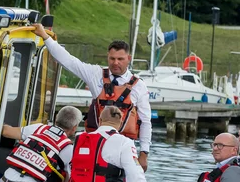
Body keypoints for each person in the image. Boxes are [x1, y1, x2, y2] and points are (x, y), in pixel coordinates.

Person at [32, 23, 152, 171]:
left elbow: (145, 121)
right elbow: (68, 61)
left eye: (120, 59)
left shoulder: (139, 86)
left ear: (129, 58)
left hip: (124, 146)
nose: (115, 63)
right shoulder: (95, 74)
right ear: (108, 57)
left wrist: (144, 153)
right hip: (96, 144)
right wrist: (45, 37)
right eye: (112, 58)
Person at [64, 106, 158, 182]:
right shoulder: (124, 142)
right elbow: (136, 176)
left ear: (100, 120)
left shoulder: (79, 138)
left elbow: (70, 169)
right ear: (121, 123)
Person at [0, 106, 82, 182]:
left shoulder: (38, 128)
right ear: (75, 127)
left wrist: (2, 123)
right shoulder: (68, 149)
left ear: (56, 117)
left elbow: (6, 131)